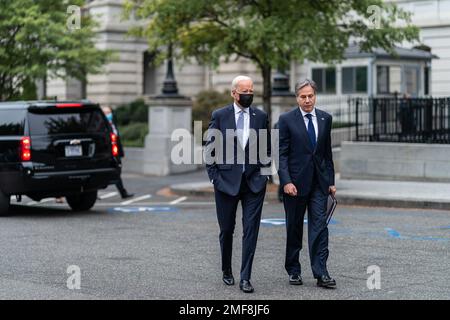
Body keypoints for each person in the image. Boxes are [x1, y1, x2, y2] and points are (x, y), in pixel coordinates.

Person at [205, 75, 271, 293]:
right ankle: (226, 270)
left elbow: (267, 148)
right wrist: (214, 178)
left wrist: (265, 176)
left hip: (254, 184)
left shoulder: (260, 116)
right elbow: (210, 150)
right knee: (226, 230)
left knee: (251, 230)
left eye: (251, 91)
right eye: (245, 91)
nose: (248, 94)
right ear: (234, 93)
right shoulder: (220, 116)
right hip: (225, 183)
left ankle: (245, 277)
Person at [278, 79, 337, 288]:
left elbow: (326, 153)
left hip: (319, 184)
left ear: (315, 95)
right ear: (297, 98)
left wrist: (330, 181)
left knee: (320, 228)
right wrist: (285, 181)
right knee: (294, 228)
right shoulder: (286, 120)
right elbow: (282, 154)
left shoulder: (325, 118)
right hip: (294, 185)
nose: (307, 100)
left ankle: (321, 273)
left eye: (310, 96)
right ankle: (293, 270)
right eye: (303, 97)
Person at [101, 106, 134, 199]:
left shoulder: (113, 124)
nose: (108, 114)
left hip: (115, 152)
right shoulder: (101, 125)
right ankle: (123, 192)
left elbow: (117, 140)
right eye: (106, 113)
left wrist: (120, 153)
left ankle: (123, 192)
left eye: (109, 112)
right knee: (114, 173)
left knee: (117, 172)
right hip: (106, 153)